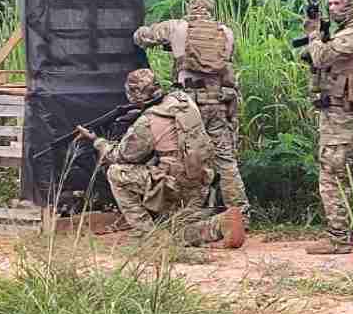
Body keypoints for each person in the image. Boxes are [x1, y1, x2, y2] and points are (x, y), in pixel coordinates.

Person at [77, 69, 245, 249]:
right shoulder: (183, 99)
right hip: (201, 184)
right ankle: (220, 224)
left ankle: (147, 235)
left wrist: (97, 141)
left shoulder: (147, 121)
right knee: (175, 230)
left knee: (116, 173)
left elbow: (120, 156)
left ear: (133, 95)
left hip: (176, 187)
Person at [134, 0, 251, 225]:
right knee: (226, 161)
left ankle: (188, 215)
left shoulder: (177, 27)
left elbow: (142, 37)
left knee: (188, 160)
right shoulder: (225, 32)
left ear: (190, 9)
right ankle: (241, 215)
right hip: (218, 103)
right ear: (210, 10)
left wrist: (158, 40)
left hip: (189, 107)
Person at [302, 0, 353, 255]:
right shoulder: (344, 34)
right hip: (336, 114)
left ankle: (339, 237)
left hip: (342, 115)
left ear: (351, 5)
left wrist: (314, 35)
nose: (332, 8)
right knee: (345, 173)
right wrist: (320, 34)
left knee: (333, 175)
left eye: (338, 3)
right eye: (330, 4)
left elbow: (322, 57)